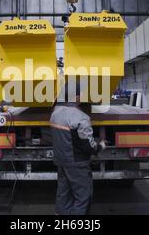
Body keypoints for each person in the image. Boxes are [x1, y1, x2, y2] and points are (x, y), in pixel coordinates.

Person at [50, 82, 106, 215]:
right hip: (77, 163)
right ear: (76, 97)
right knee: (83, 196)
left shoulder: (55, 113)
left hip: (61, 161)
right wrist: (100, 146)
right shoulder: (81, 117)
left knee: (63, 193)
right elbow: (88, 146)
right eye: (80, 94)